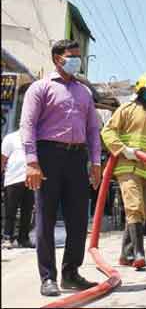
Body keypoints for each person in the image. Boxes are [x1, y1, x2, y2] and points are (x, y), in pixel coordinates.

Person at [20, 39, 102, 296]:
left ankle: (71, 273)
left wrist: (96, 162)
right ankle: (48, 278)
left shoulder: (84, 92)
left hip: (77, 158)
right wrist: (32, 162)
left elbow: (92, 130)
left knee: (78, 218)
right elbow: (28, 125)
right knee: (45, 217)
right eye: (72, 56)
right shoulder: (40, 88)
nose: (76, 60)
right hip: (48, 156)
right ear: (57, 58)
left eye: (78, 56)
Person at [101, 72, 146, 270]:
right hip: (128, 167)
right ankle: (140, 253)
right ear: (139, 91)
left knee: (142, 212)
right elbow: (108, 131)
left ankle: (125, 255)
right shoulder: (126, 110)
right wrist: (123, 150)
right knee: (134, 207)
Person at [2, 128, 35, 249]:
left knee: (27, 211)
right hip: (13, 179)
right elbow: (3, 159)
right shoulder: (10, 138)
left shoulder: (37, 137)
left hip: (30, 179)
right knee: (10, 211)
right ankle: (7, 237)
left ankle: (24, 238)